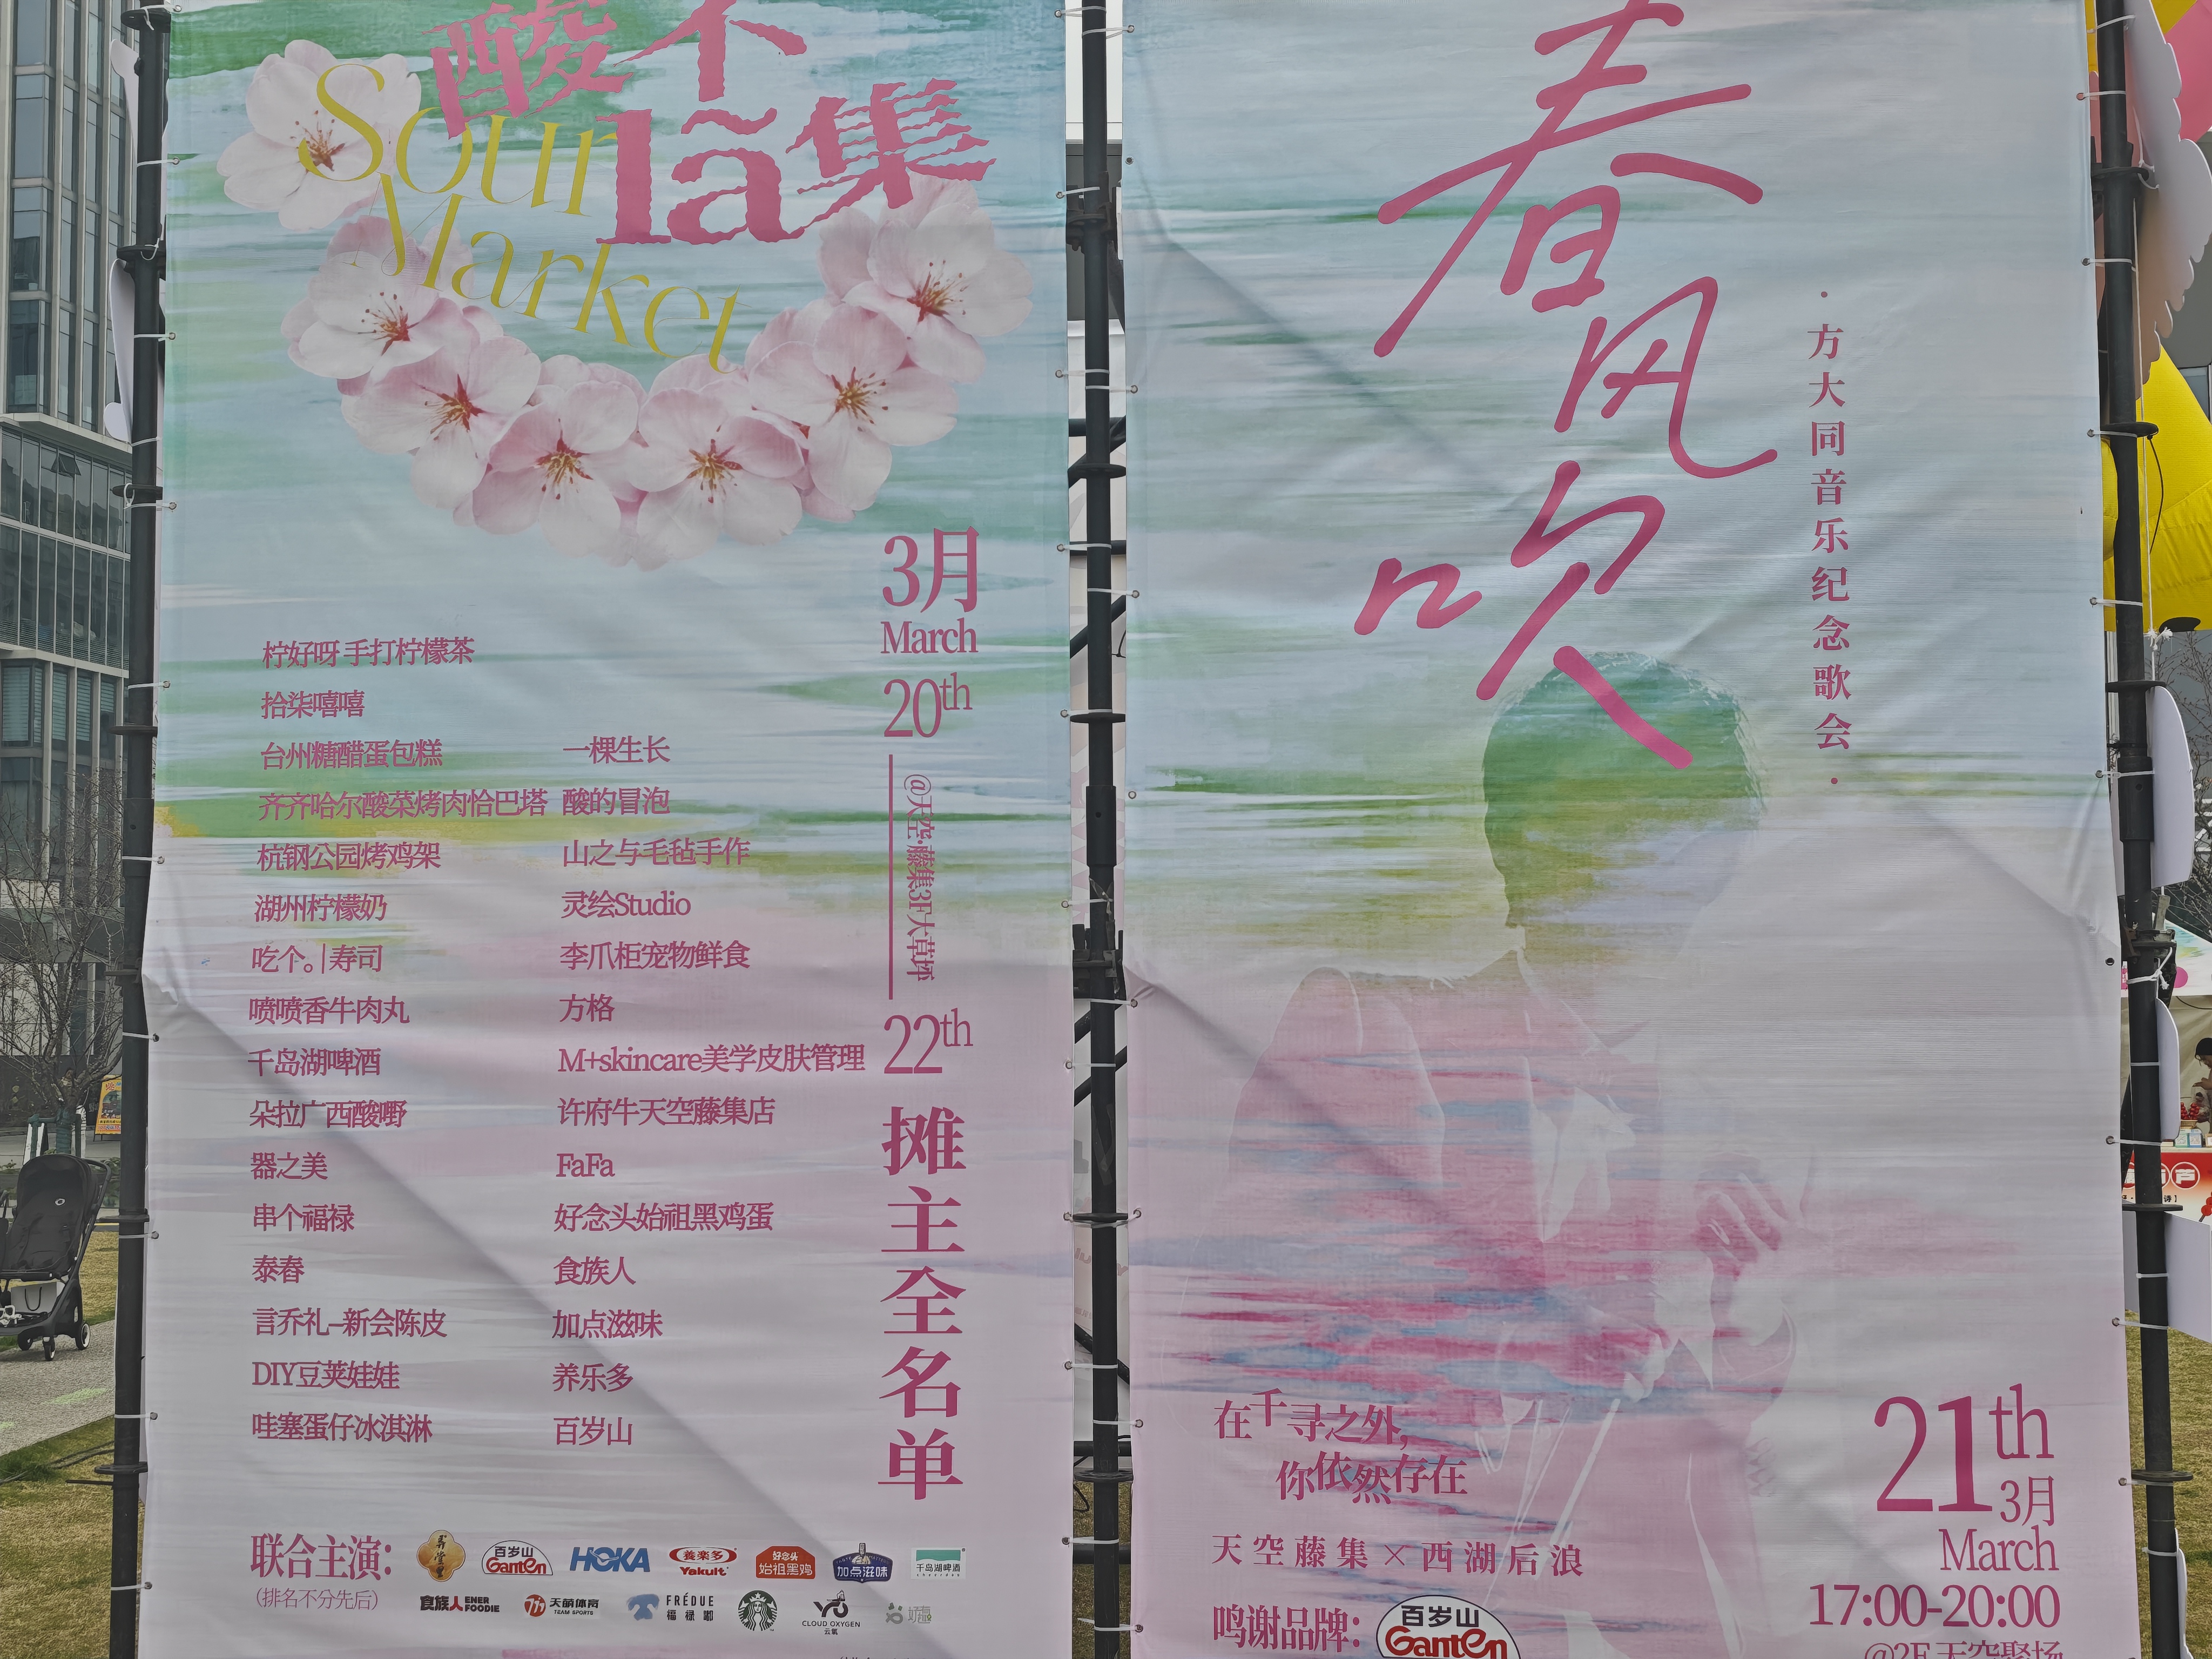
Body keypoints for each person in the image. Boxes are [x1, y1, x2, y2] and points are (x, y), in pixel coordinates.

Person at [1204, 654, 1791, 1657]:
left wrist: (1750, 1309)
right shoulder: (1367, 1028)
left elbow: (1750, 1434)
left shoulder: (1738, 1116)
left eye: (1685, 822)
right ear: (1517, 838)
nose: (1646, 856)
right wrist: (1522, 1348)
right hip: (1413, 1581)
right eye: (1610, 818)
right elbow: (1254, 1320)